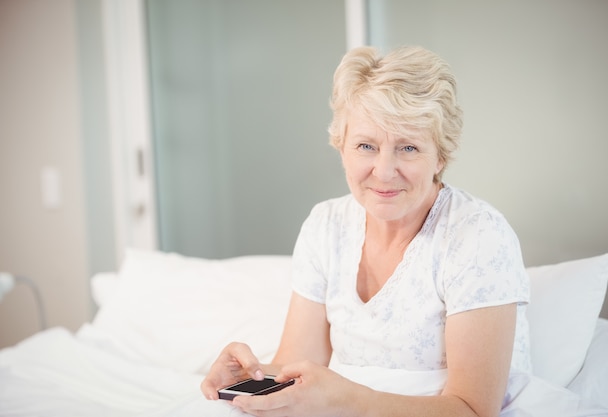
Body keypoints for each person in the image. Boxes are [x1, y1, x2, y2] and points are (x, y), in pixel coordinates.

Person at [201, 45, 530, 417]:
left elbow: (473, 409)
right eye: (366, 146)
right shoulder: (326, 226)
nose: (384, 171)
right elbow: (298, 363)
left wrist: (347, 399)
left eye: (408, 147)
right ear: (342, 148)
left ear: (440, 155)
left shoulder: (477, 236)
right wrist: (250, 376)